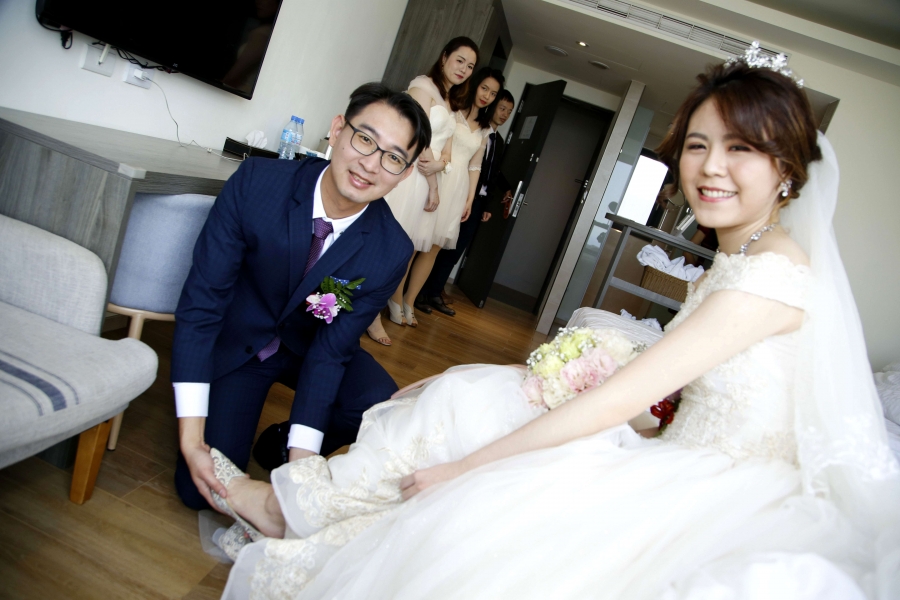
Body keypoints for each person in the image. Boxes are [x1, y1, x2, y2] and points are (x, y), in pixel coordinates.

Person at [216, 52, 900, 599]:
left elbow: (628, 398)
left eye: (741, 148)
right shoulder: (742, 258)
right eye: (697, 145)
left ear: (785, 168)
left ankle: (297, 509)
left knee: (478, 454)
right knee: (474, 396)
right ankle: (302, 505)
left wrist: (465, 470)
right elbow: (678, 392)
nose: (711, 167)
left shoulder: (769, 275)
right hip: (680, 454)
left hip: (715, 497)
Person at [170, 83, 432, 509]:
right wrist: (191, 437)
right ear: (337, 130)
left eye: (393, 157)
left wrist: (300, 474)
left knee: (377, 401)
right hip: (242, 344)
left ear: (404, 173)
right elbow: (202, 307)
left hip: (310, 347)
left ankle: (282, 442)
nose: (370, 164)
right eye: (365, 139)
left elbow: (330, 354)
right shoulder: (258, 184)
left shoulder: (390, 250)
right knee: (201, 492)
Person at [366, 37, 479, 344]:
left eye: (470, 66)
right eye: (459, 60)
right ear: (444, 57)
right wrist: (433, 184)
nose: (464, 69)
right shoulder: (422, 87)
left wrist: (441, 167)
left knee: (405, 251)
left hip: (430, 178)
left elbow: (447, 153)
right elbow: (419, 136)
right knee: (388, 248)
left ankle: (378, 306)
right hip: (411, 178)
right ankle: (370, 314)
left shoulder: (450, 101)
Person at [403, 67, 502, 325]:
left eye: (493, 93)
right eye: (484, 88)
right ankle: (393, 298)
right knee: (414, 242)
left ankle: (409, 301)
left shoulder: (485, 128)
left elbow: (475, 167)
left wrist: (469, 199)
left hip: (458, 188)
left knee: (433, 249)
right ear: (474, 84)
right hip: (439, 177)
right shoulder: (453, 110)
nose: (487, 96)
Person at [419, 88, 515, 316]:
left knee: (454, 248)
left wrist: (492, 201)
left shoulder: (498, 141)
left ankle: (434, 291)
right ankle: (422, 292)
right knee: (434, 241)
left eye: (509, 111)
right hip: (455, 188)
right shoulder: (468, 124)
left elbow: (492, 172)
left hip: (476, 199)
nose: (504, 114)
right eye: (502, 108)